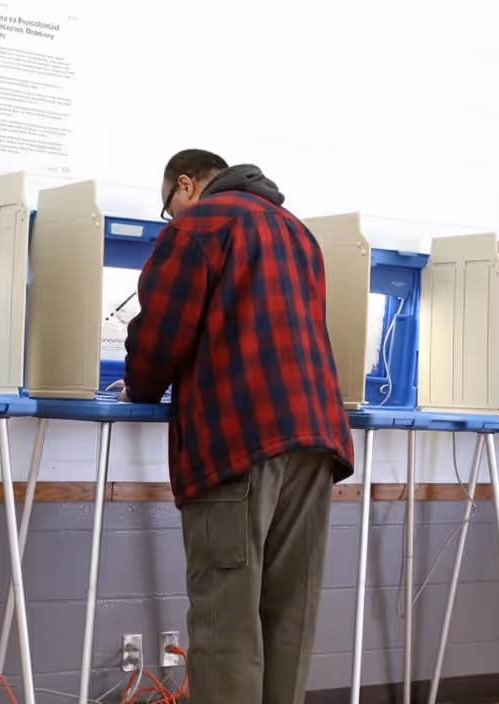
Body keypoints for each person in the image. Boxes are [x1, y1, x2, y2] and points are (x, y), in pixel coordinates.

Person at [120, 149, 354, 704]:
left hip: (238, 439)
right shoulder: (297, 233)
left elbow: (162, 333)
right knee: (288, 615)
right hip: (317, 439)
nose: (170, 220)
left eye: (167, 209)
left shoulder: (199, 225)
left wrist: (140, 386)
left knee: (227, 620)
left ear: (185, 186)